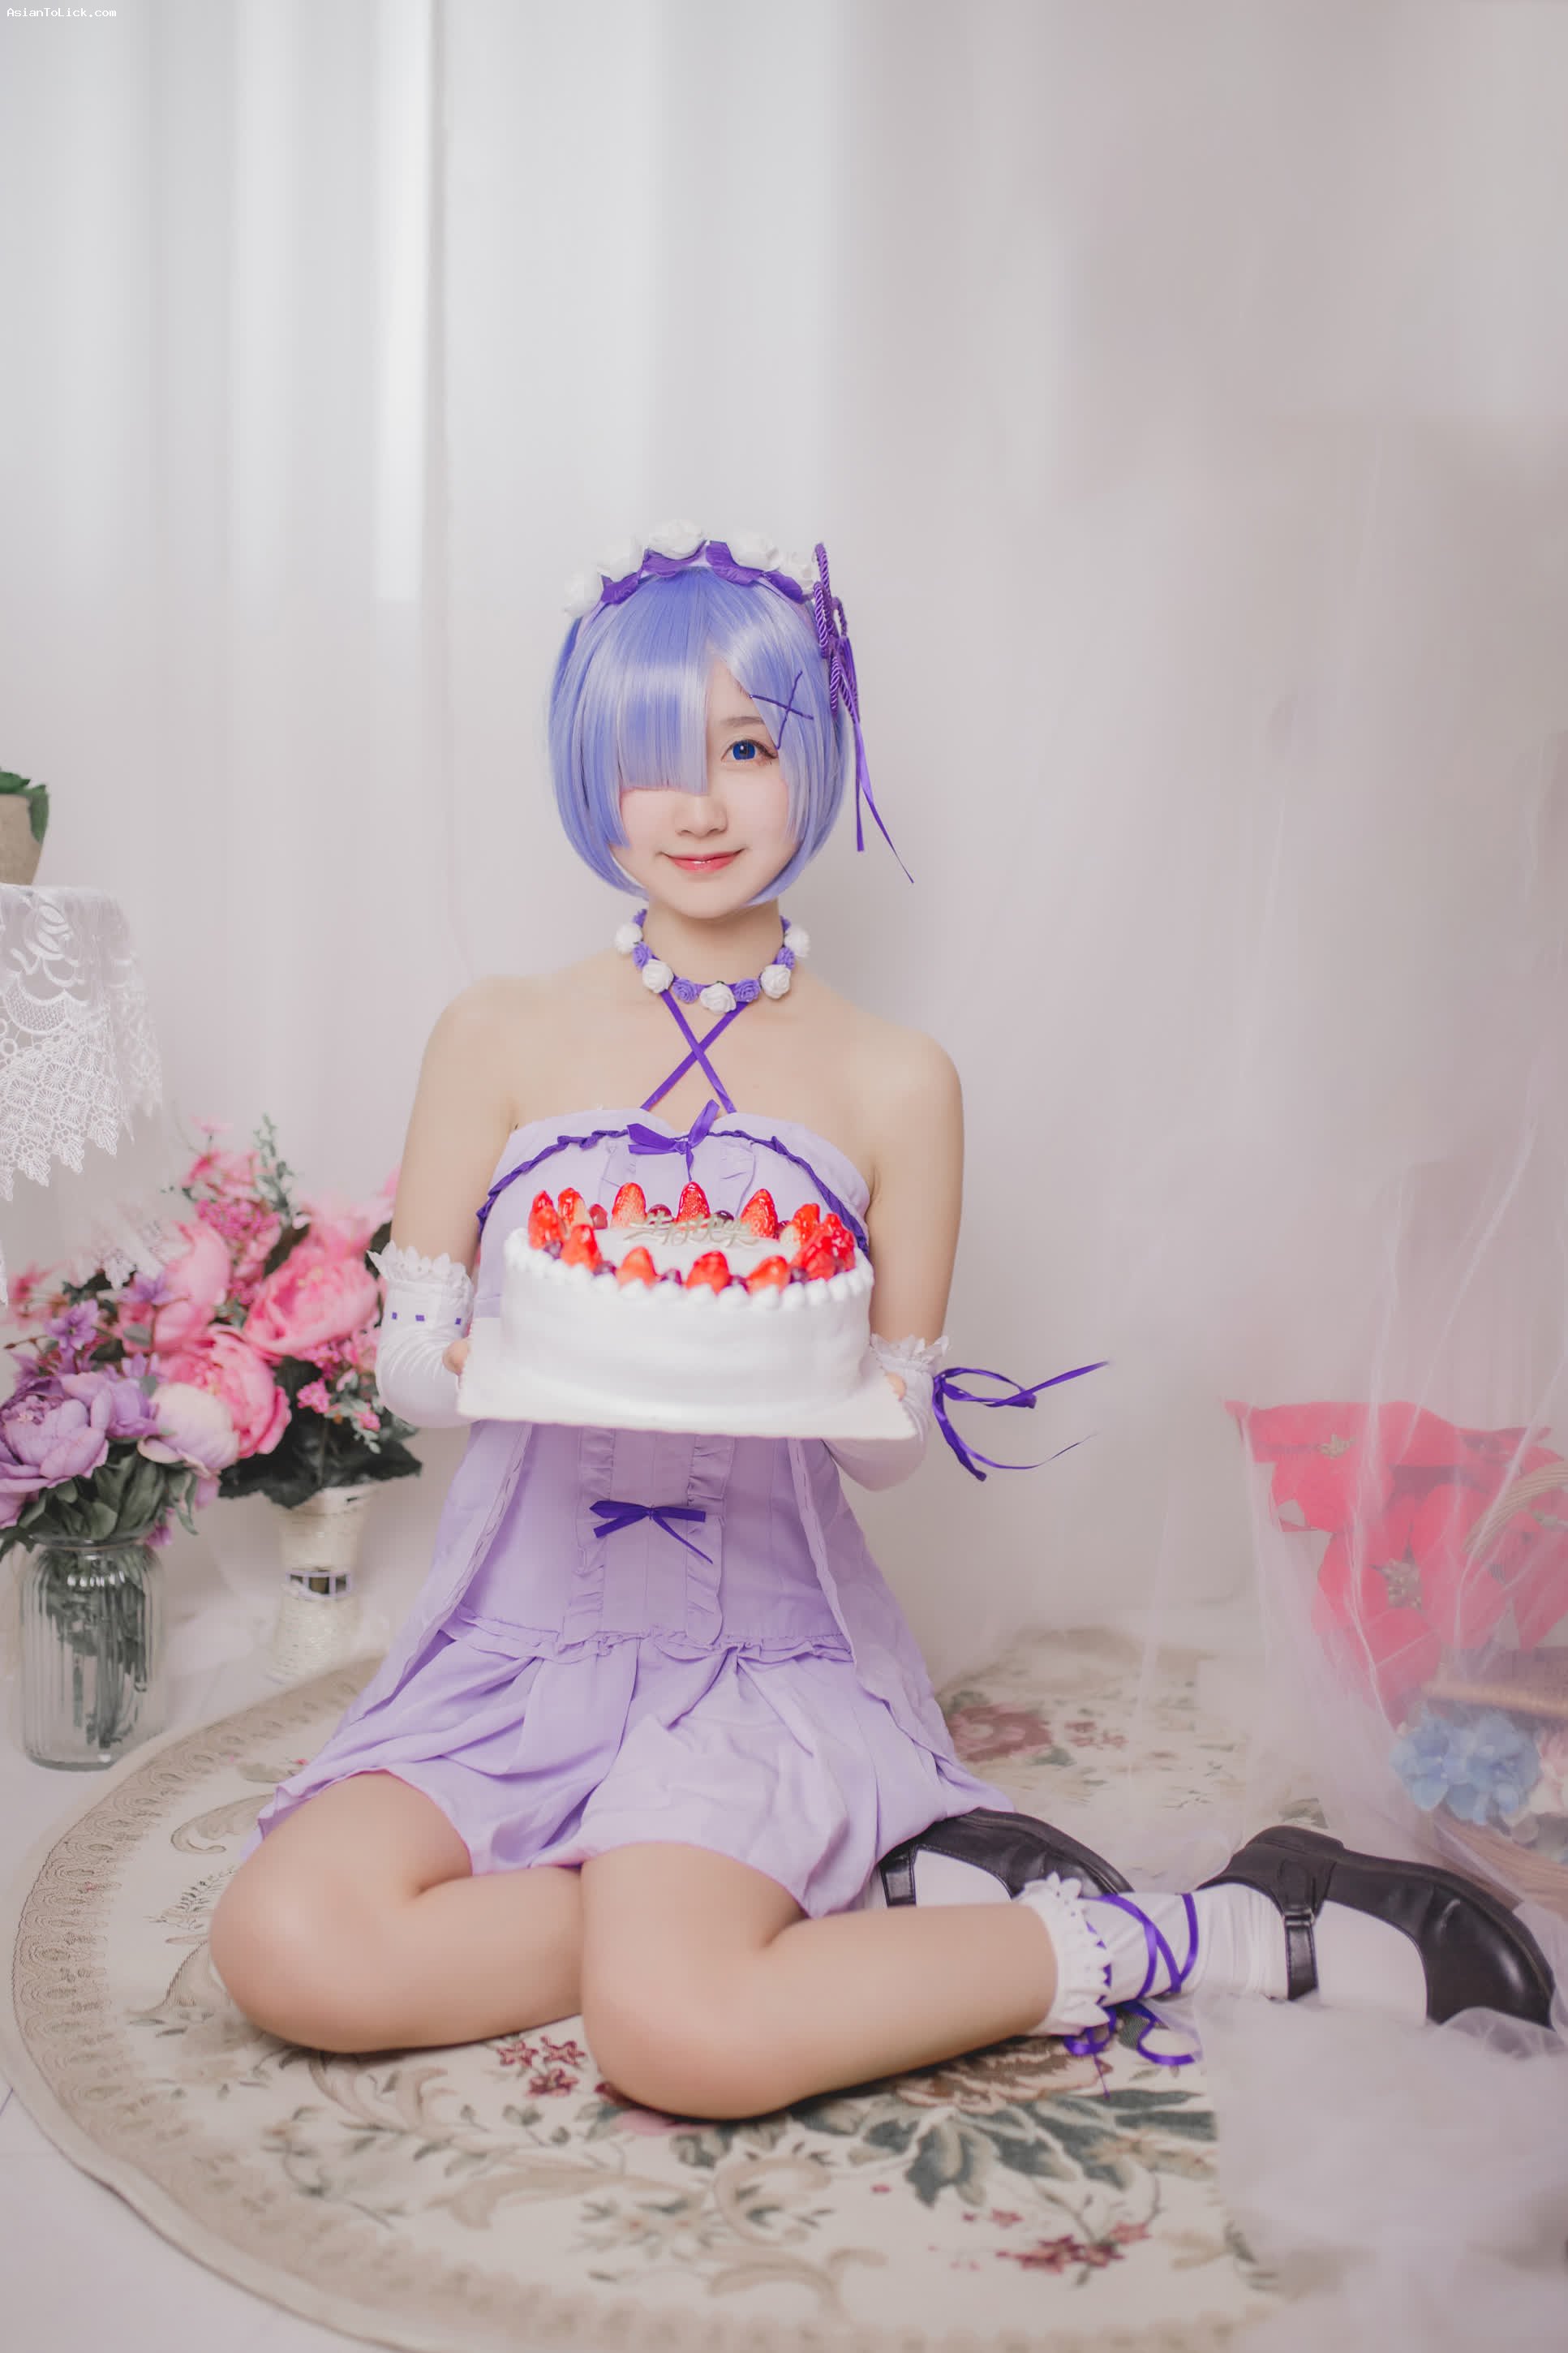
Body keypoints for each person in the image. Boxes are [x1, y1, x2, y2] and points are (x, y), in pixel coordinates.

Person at [209, 527, 1556, 2113]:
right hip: (521, 1634)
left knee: (680, 2038)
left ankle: (1223, 1928)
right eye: (651, 758)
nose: (698, 806)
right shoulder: (494, 1033)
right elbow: (409, 1369)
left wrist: (783, 1359)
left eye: (745, 748)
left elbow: (891, 1442)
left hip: (752, 1652)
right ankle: (807, 1908)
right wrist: (547, 1349)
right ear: (590, 770)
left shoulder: (894, 1079)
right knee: (291, 1945)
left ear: (815, 754)